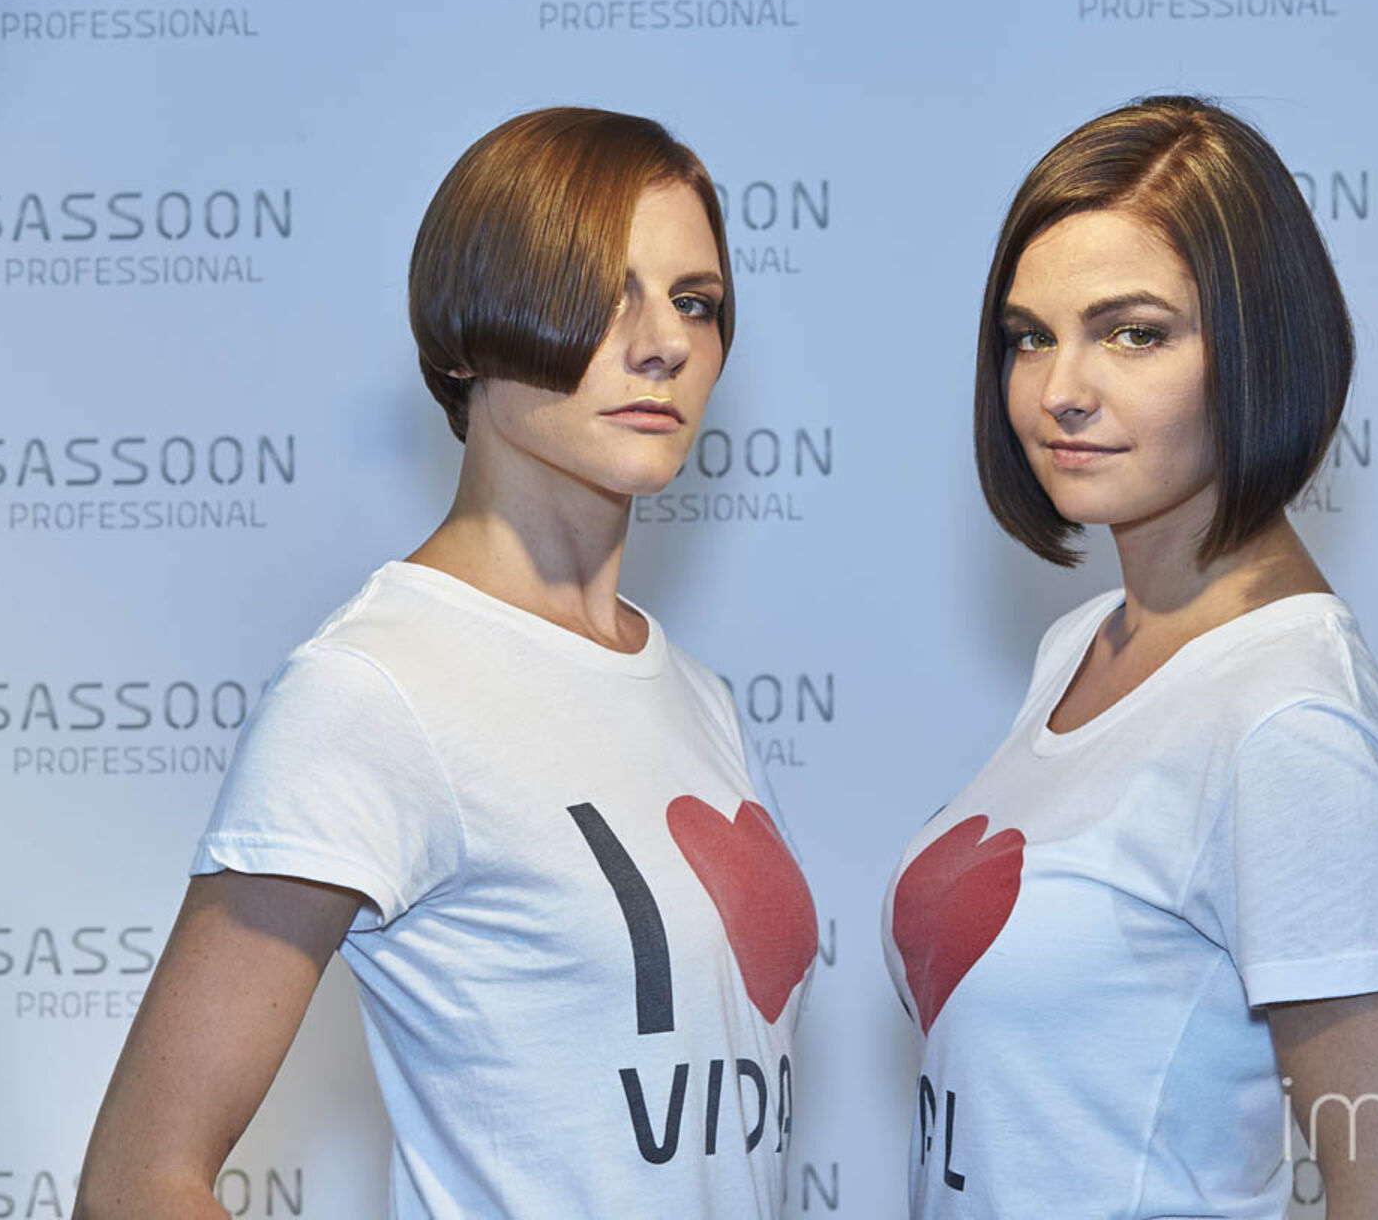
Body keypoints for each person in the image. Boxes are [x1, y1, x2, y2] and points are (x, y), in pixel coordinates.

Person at [74, 108, 819, 1218]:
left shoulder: (697, 696)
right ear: (466, 333)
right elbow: (137, 1184)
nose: (663, 340)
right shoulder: (376, 688)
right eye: (600, 292)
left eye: (695, 301)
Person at [880, 96, 1378, 1218]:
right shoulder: (1082, 646)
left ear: (1259, 349)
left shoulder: (1291, 717)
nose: (1061, 389)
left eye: (1134, 333)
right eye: (1030, 336)